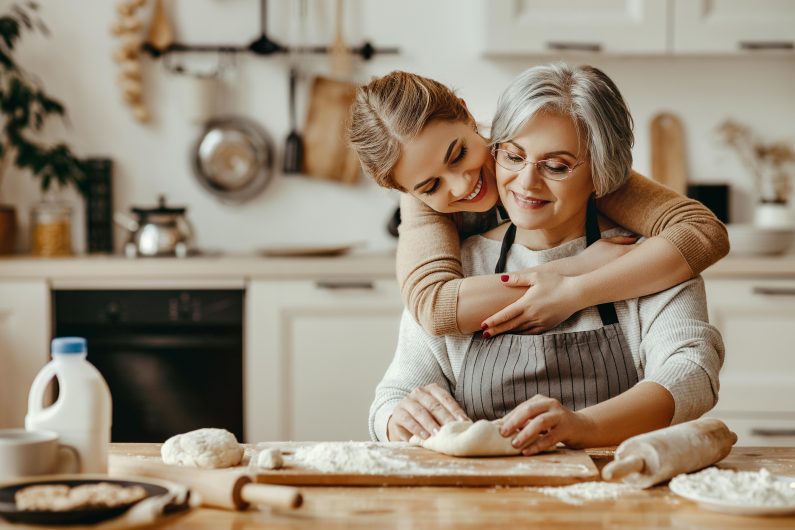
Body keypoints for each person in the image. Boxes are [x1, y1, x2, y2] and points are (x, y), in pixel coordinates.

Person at [368, 64, 724, 454]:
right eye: (514, 157)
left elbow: (692, 374)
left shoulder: (646, 259)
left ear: (603, 175)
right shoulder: (458, 268)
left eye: (556, 166)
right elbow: (395, 392)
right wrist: (395, 418)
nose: (526, 182)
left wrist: (584, 425)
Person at [348, 70, 729, 338]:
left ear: (467, 115)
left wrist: (579, 292)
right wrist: (576, 267)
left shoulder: (539, 154)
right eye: (431, 186)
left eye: (459, 153)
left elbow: (702, 232)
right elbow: (435, 307)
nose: (462, 183)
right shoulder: (420, 203)